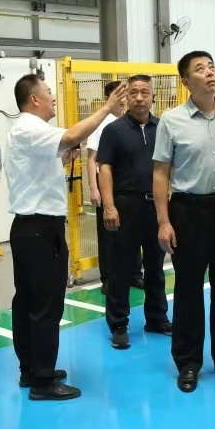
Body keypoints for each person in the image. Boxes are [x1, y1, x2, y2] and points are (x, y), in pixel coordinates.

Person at [5, 74, 127, 401]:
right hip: (40, 229)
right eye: (48, 92)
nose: (53, 97)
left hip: (30, 228)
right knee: (46, 305)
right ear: (34, 99)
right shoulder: (31, 127)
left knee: (28, 302)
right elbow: (73, 134)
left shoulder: (25, 131)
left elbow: (39, 168)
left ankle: (32, 369)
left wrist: (62, 158)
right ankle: (44, 381)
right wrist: (107, 108)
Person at [152, 50, 215, 393]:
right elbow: (160, 173)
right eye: (200, 68)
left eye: (212, 67)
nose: (210, 72)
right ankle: (188, 363)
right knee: (188, 290)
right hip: (188, 211)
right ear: (186, 81)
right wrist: (164, 222)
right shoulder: (171, 120)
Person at [98, 75, 171, 349]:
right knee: (121, 268)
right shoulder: (113, 130)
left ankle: (157, 318)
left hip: (157, 206)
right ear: (126, 97)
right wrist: (109, 205)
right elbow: (105, 168)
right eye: (134, 93)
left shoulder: (163, 128)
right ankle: (119, 324)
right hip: (125, 205)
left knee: (156, 266)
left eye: (144, 92)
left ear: (153, 96)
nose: (139, 98)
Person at [86, 81, 143, 295]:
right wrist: (94, 188)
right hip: (107, 184)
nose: (123, 99)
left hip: (127, 185)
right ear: (107, 99)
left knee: (134, 230)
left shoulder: (132, 122)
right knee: (108, 233)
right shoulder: (101, 124)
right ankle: (108, 278)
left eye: (125, 94)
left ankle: (135, 274)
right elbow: (92, 159)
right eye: (118, 94)